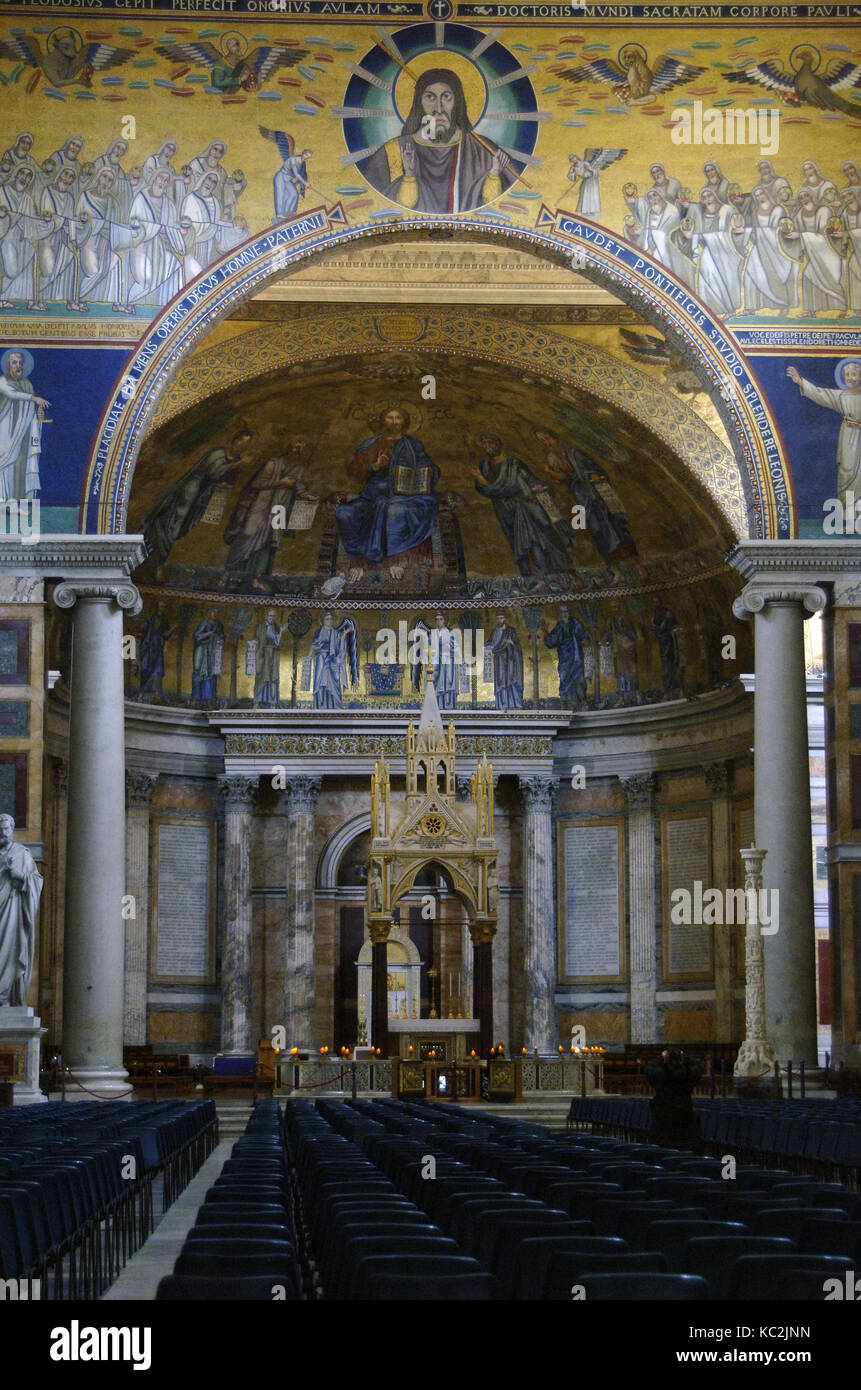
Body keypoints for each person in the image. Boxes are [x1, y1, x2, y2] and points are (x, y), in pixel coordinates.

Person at [360, 68, 514, 214]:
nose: (439, 108)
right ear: (419, 103)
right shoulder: (394, 151)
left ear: (457, 102)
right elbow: (372, 205)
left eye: (446, 97)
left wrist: (494, 174)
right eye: (430, 97)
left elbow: (499, 206)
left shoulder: (483, 150)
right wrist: (409, 176)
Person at [336, 408, 439, 583]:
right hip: (372, 496)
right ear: (383, 421)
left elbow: (430, 467)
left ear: (404, 422)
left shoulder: (413, 445)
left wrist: (428, 472)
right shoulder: (370, 444)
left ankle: (396, 559)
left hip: (406, 495)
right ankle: (358, 561)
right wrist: (374, 466)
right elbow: (353, 470)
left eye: (398, 418)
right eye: (389, 418)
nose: (394, 421)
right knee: (344, 513)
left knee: (395, 510)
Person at [142, 426, 253, 581]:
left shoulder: (235, 461)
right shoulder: (218, 453)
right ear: (234, 440)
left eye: (246, 443)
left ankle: (157, 562)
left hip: (203, 497)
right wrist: (238, 465)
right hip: (189, 491)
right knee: (173, 526)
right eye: (241, 440)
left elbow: (226, 481)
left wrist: (224, 483)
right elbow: (211, 472)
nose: (242, 444)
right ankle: (158, 565)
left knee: (182, 528)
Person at [472, 432, 570, 576]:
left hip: (527, 506)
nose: (488, 445)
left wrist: (539, 487)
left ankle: (558, 572)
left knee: (541, 538)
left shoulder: (514, 463)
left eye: (490, 441)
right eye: (485, 443)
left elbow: (530, 480)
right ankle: (536, 577)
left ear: (499, 443)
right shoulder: (484, 467)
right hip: (507, 511)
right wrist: (481, 479)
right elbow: (487, 489)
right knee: (524, 544)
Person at [220, 439, 311, 592]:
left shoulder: (298, 468)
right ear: (288, 448)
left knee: (270, 543)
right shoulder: (273, 463)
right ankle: (226, 573)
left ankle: (256, 579)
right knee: (246, 534)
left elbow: (296, 483)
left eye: (301, 449)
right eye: (296, 447)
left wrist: (303, 492)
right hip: (261, 504)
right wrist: (279, 482)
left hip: (280, 508)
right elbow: (256, 483)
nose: (298, 451)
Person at [787, 359, 861, 508]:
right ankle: (850, 519)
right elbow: (821, 394)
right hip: (848, 438)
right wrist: (800, 381)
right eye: (847, 374)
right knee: (847, 473)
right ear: (843, 376)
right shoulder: (841, 396)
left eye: (854, 374)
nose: (850, 378)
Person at [0, 811, 43, 1007]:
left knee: (9, 950)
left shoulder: (21, 854)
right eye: (0, 830)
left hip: (12, 909)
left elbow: (36, 880)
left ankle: (4, 995)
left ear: (12, 830)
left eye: (6, 829)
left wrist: (19, 876)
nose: (3, 833)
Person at [0, 349, 49, 501]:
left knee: (20, 465)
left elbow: (28, 411)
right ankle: (2, 500)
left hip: (21, 433)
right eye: (14, 362)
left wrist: (37, 418)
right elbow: (11, 393)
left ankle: (14, 502)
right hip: (5, 432)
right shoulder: (3, 381)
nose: (18, 366)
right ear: (8, 365)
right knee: (5, 466)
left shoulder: (27, 384)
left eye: (20, 362)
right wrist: (34, 398)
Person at [645, 1048, 703, 1150]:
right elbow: (699, 1065)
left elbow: (649, 1068)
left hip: (663, 1116)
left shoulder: (660, 1074)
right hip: (684, 1115)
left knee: (662, 1149)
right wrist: (684, 1056)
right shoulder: (688, 1074)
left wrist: (661, 1058)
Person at [310, 612, 357, 709]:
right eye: (327, 619)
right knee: (320, 681)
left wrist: (344, 635)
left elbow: (339, 647)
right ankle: (320, 705)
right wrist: (309, 655)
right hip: (321, 659)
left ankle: (334, 705)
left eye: (331, 619)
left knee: (333, 683)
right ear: (323, 621)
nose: (329, 621)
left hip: (332, 660)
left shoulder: (335, 632)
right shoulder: (319, 632)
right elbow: (314, 645)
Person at [542, 606, 588, 705]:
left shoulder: (576, 623)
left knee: (579, 677)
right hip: (564, 656)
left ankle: (583, 701)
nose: (564, 614)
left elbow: (583, 636)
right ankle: (564, 702)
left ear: (569, 612)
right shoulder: (560, 625)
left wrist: (584, 640)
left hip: (576, 656)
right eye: (562, 612)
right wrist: (545, 631)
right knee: (564, 677)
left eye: (566, 611)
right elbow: (552, 641)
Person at [485, 611, 524, 709]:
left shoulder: (511, 631)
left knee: (512, 680)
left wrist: (511, 643)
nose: (500, 620)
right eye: (498, 618)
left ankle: (516, 704)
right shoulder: (494, 632)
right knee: (501, 682)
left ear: (505, 618)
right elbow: (490, 644)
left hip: (510, 661)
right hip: (499, 661)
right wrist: (488, 646)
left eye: (501, 618)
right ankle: (503, 704)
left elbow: (518, 646)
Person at [191, 609, 225, 704]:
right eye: (213, 612)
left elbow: (221, 637)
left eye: (216, 612)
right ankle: (196, 698)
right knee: (199, 673)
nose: (215, 614)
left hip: (213, 652)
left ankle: (209, 699)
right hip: (202, 651)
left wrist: (221, 640)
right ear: (209, 613)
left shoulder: (218, 625)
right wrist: (208, 634)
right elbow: (197, 636)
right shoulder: (204, 623)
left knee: (211, 675)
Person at [253, 609, 282, 708]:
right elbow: (256, 638)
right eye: (270, 615)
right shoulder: (261, 627)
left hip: (273, 656)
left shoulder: (277, 627)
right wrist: (255, 642)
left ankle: (272, 702)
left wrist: (280, 633)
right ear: (266, 616)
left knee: (272, 678)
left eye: (274, 616)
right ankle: (257, 702)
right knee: (261, 678)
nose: (272, 618)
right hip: (263, 655)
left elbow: (278, 642)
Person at [430, 612, 458, 711]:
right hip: (437, 661)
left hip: (448, 661)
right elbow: (430, 648)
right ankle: (437, 706)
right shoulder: (433, 633)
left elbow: (456, 648)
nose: (438, 621)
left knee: (448, 682)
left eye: (441, 619)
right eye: (437, 619)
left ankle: (448, 705)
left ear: (444, 621)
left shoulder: (451, 633)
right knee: (437, 683)